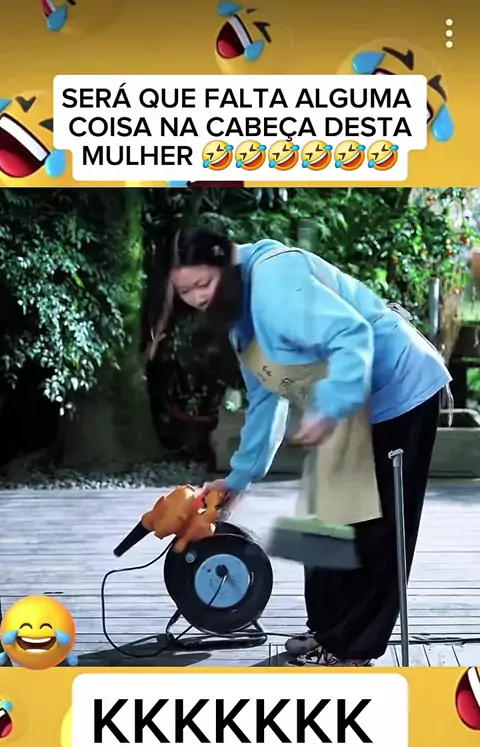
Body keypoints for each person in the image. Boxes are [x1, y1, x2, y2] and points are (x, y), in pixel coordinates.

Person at [146, 225, 452, 667]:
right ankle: (327, 630)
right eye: (186, 291)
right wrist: (239, 479)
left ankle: (352, 649)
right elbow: (265, 401)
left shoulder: (276, 284)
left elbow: (352, 335)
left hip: (396, 388)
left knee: (374, 527)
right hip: (349, 408)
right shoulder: (241, 323)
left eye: (203, 284)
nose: (197, 299)